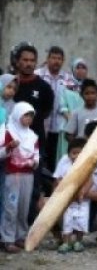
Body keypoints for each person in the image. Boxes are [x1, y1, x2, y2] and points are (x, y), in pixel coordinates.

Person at [0, 102, 39, 253]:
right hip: (11, 175)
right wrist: (9, 148)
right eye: (25, 115)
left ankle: (20, 236)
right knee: (10, 207)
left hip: (27, 175)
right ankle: (7, 239)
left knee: (23, 207)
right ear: (17, 115)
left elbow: (36, 154)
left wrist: (34, 162)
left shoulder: (32, 135)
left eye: (31, 116)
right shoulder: (7, 132)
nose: (28, 119)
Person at [35, 46, 74, 172]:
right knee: (38, 158)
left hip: (59, 127)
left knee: (54, 160)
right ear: (47, 59)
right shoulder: (38, 75)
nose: (56, 61)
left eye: (59, 58)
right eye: (53, 58)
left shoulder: (68, 79)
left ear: (63, 61)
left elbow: (73, 101)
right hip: (40, 125)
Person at [55, 138, 92, 253]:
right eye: (73, 153)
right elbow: (58, 179)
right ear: (68, 154)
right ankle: (66, 242)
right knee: (68, 221)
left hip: (82, 200)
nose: (76, 156)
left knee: (81, 221)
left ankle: (78, 241)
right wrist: (65, 191)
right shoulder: (65, 165)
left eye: (79, 153)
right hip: (68, 200)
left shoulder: (86, 166)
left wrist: (82, 192)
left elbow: (90, 181)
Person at [0, 74, 17, 210]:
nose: (11, 91)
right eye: (8, 87)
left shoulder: (16, 107)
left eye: (14, 88)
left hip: (7, 152)